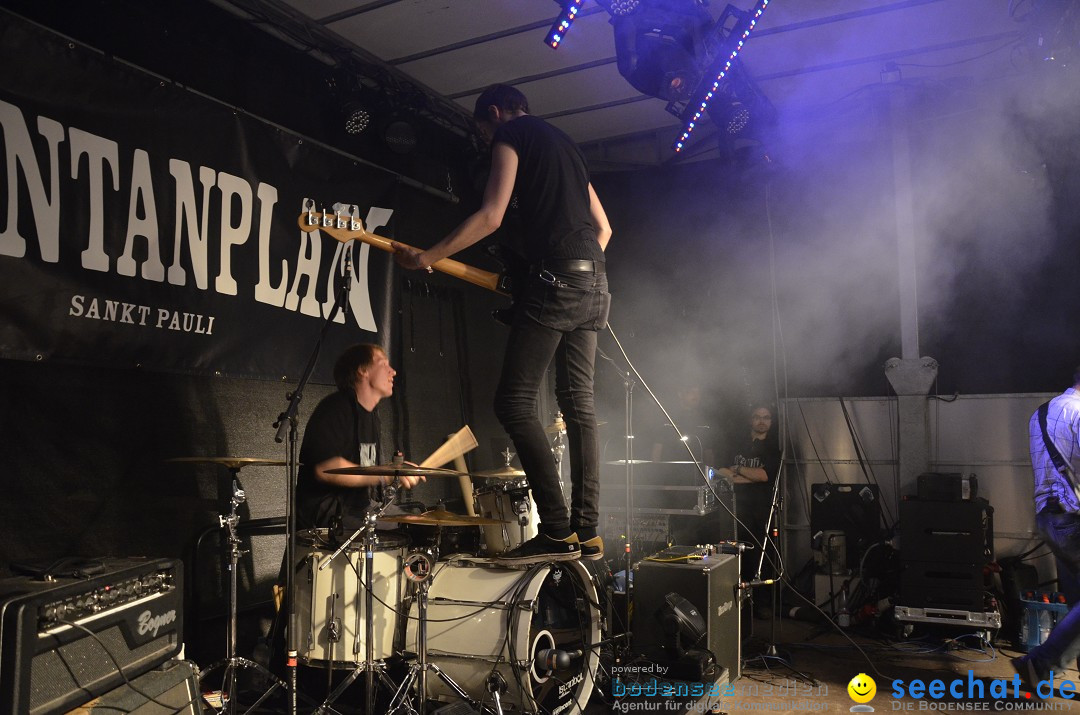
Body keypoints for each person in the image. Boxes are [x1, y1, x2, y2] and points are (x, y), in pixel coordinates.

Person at [393, 84, 612, 565]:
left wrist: (427, 256)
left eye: (483, 128)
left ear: (494, 114)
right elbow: (604, 230)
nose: (486, 137)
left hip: (558, 281)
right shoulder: (568, 147)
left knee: (513, 403)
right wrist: (573, 273)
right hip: (595, 282)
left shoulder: (511, 135)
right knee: (579, 405)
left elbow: (492, 216)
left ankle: (555, 529)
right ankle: (587, 530)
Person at [296, 343, 423, 533]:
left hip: (361, 509)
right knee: (408, 529)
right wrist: (386, 474)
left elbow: (367, 473)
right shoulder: (336, 408)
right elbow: (326, 469)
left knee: (423, 525)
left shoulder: (372, 417)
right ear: (363, 370)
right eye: (383, 364)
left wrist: (394, 472)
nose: (393, 371)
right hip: (329, 516)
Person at [1013, 370, 1080, 695]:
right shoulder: (1078, 412)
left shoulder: (1042, 412)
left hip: (1049, 517)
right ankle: (1040, 663)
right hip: (1073, 518)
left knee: (1077, 601)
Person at [716, 404, 781, 572]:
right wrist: (750, 477)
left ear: (771, 422)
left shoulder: (773, 447)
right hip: (734, 509)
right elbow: (720, 470)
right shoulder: (737, 443)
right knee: (733, 556)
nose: (762, 421)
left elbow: (764, 476)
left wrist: (737, 470)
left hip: (760, 512)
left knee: (758, 557)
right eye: (757, 417)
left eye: (766, 417)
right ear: (750, 420)